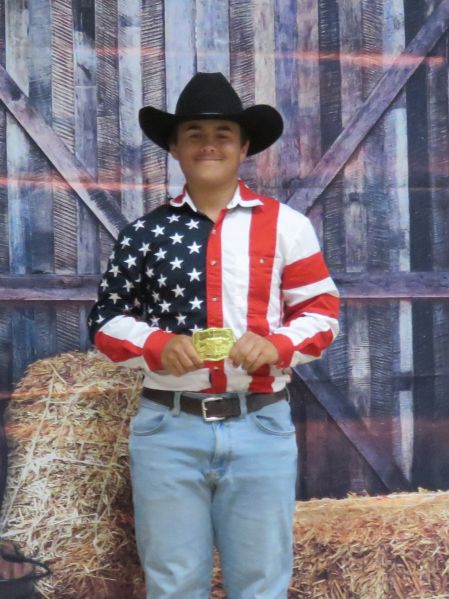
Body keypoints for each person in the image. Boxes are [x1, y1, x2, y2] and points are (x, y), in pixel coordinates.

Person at [88, 72, 339, 599]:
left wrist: (278, 345)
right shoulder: (145, 234)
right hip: (168, 429)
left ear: (244, 146)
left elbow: (321, 313)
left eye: (223, 133)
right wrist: (156, 345)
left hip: (260, 424)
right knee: (174, 582)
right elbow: (106, 321)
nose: (209, 145)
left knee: (261, 582)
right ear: (175, 147)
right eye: (194, 133)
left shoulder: (287, 226)